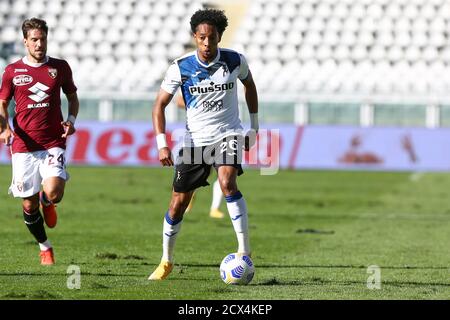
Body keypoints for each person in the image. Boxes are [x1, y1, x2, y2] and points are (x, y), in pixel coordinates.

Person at [149, 8, 259, 280]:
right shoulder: (181, 67)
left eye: (212, 38)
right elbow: (159, 106)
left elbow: (250, 86)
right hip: (195, 140)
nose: (207, 44)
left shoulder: (235, 61)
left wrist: (254, 128)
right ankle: (166, 261)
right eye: (201, 38)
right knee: (177, 204)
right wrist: (162, 144)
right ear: (195, 37)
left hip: (228, 134)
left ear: (220, 36)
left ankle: (244, 251)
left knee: (227, 182)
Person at [0, 18, 79, 265]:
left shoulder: (60, 67)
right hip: (23, 146)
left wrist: (71, 119)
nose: (39, 44)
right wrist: (4, 128)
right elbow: (2, 103)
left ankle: (48, 200)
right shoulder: (12, 71)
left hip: (52, 141)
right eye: (34, 39)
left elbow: (73, 97)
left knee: (54, 192)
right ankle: (45, 246)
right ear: (25, 42)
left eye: (42, 39)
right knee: (28, 204)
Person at [175, 91, 225, 219]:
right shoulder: (192, 77)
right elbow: (179, 101)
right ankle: (189, 197)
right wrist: (203, 106)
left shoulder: (222, 79)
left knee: (224, 174)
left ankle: (215, 208)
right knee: (201, 174)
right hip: (196, 136)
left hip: (221, 133)